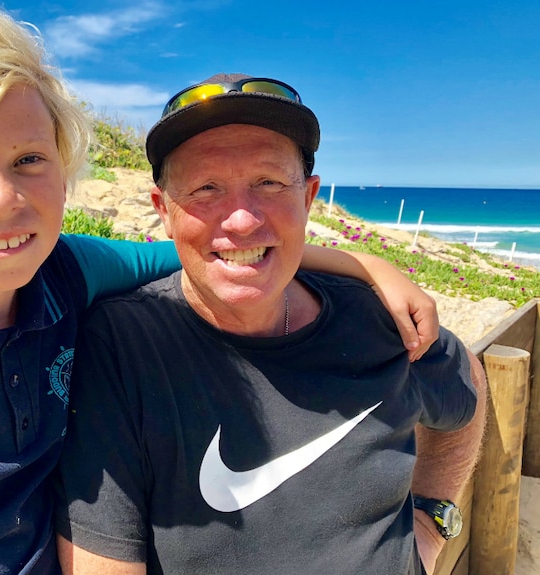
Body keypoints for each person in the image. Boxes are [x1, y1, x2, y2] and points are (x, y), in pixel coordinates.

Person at [0, 8, 445, 575]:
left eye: (28, 159)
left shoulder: (65, 272)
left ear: (65, 172)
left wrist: (359, 264)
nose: (2, 200)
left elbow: (205, 248)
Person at [54, 73, 487, 575]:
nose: (242, 219)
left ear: (307, 199)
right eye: (206, 188)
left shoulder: (381, 321)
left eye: (268, 182)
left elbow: (467, 383)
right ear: (164, 212)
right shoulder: (122, 349)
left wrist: (433, 523)